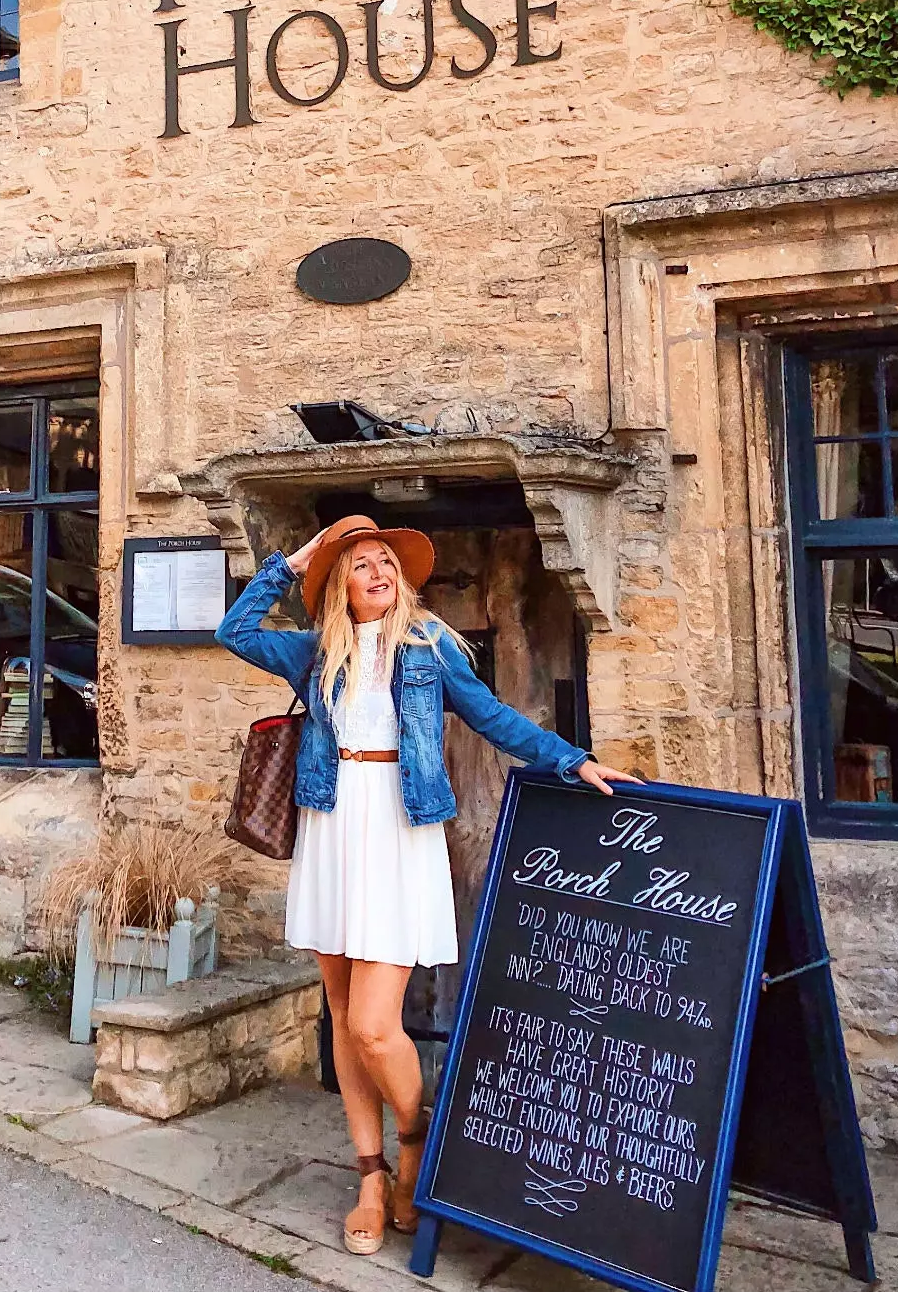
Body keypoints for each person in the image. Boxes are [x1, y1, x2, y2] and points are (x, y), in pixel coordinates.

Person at [216, 515, 640, 1256]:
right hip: (331, 830)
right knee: (346, 1016)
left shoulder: (431, 646)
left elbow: (493, 716)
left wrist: (573, 760)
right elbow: (234, 628)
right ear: (339, 585)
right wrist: (298, 558)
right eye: (359, 564)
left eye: (386, 561)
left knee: (376, 1025)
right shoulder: (315, 653)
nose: (378, 571)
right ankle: (371, 1172)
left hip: (397, 834)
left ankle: (417, 1141)